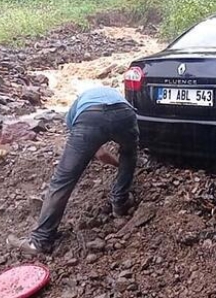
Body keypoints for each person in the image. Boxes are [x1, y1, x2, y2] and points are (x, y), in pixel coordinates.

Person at [7, 86, 139, 254]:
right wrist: (122, 166)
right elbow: (105, 153)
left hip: (91, 117)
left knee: (63, 179)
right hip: (125, 114)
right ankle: (120, 202)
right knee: (129, 153)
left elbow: (99, 153)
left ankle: (40, 241)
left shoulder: (77, 107)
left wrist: (104, 157)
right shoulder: (115, 96)